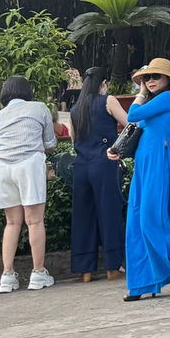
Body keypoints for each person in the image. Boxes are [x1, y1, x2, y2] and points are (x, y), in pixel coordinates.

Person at [113, 58, 170, 302]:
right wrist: (119, 149)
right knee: (137, 222)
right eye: (146, 78)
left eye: (154, 77)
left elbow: (133, 114)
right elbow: (138, 129)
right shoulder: (157, 102)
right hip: (144, 163)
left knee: (152, 221)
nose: (149, 81)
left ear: (169, 81)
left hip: (159, 162)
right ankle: (143, 284)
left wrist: (139, 93)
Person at [0, 75, 58, 293]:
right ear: (28, 92)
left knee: (11, 223)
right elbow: (50, 143)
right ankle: (38, 272)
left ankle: (7, 276)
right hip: (29, 164)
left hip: (1, 167)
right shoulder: (39, 108)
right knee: (34, 221)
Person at [68, 67, 127, 283]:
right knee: (109, 213)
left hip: (81, 165)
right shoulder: (108, 101)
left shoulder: (75, 109)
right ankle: (113, 266)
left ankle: (85, 270)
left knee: (83, 215)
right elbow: (130, 124)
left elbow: (74, 139)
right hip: (104, 163)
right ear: (103, 83)